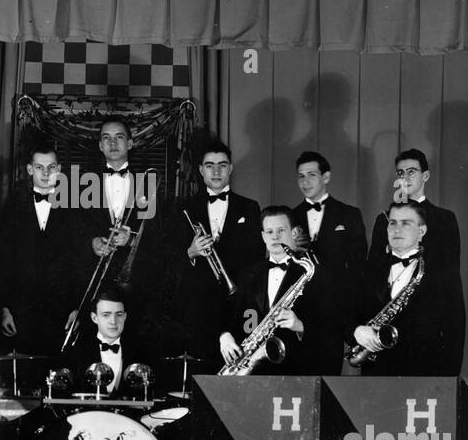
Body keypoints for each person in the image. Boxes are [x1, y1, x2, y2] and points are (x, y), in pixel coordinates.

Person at [65, 117, 162, 344]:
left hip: (134, 287)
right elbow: (72, 233)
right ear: (100, 145)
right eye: (106, 138)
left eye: (119, 137)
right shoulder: (82, 184)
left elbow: (159, 236)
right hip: (95, 286)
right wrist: (92, 243)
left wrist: (131, 240)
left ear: (129, 144)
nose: (113, 143)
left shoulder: (147, 184)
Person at [366, 149, 464, 368]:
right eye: (400, 173)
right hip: (386, 334)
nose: (405, 178)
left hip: (424, 331)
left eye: (411, 172)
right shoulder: (383, 220)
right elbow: (373, 273)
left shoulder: (444, 219)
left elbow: (451, 284)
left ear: (425, 176)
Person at [171, 139, 263, 367]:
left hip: (238, 304)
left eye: (222, 165)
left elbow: (257, 255)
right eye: (209, 165)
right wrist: (191, 252)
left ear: (231, 169)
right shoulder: (183, 208)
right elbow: (170, 259)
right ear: (201, 170)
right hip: (200, 308)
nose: (216, 170)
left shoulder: (250, 207)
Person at [0, 140, 76, 373]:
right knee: (25, 375)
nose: (46, 173)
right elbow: (3, 261)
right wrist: (5, 308)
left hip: (61, 312)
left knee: (58, 375)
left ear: (59, 170)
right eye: (39, 167)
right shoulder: (12, 207)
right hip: (21, 312)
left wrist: (76, 307)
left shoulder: (74, 208)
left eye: (51, 167)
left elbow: (79, 262)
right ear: (30, 169)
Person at [351, 202, 465, 377]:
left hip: (424, 377)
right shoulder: (370, 269)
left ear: (422, 231)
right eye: (392, 223)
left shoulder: (441, 274)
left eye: (406, 223)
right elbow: (347, 314)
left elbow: (455, 331)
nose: (397, 229)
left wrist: (447, 383)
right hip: (376, 375)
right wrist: (356, 331)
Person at [219, 207, 326, 376]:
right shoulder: (248, 274)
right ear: (263, 236)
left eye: (281, 230)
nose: (275, 237)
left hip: (296, 371)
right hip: (252, 371)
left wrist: (299, 326)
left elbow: (330, 330)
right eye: (269, 232)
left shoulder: (312, 274)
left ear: (294, 232)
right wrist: (225, 336)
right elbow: (235, 318)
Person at [61, 290, 154, 398]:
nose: (113, 321)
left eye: (118, 315)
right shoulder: (76, 353)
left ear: (125, 317)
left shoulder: (141, 353)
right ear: (94, 318)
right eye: (106, 315)